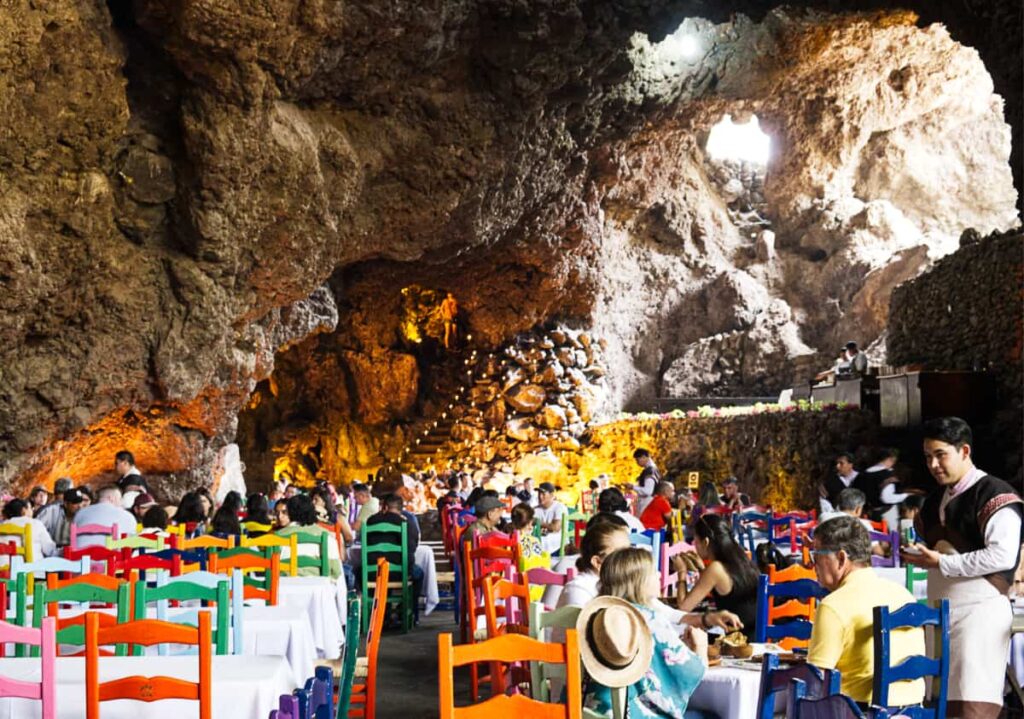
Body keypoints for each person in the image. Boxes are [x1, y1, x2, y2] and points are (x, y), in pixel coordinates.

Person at [905, 417, 1022, 719]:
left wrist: (942, 562)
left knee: (973, 701)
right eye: (928, 456)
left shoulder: (996, 496)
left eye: (940, 454)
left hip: (980, 615)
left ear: (964, 451)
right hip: (941, 614)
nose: (933, 464)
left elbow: (1002, 557)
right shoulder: (932, 502)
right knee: (939, 701)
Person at [807, 515, 925, 707]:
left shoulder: (834, 605)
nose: (813, 564)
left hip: (861, 711)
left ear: (841, 558)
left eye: (817, 555)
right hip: (913, 709)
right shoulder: (904, 594)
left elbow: (816, 679)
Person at [582, 547, 708, 718]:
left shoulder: (596, 616)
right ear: (639, 581)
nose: (659, 575)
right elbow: (691, 672)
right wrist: (701, 646)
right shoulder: (648, 619)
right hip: (628, 712)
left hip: (584, 707)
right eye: (653, 571)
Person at [677, 514, 759, 634]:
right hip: (753, 632)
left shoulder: (715, 568)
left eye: (696, 541)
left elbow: (683, 609)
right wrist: (701, 568)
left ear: (706, 542)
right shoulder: (741, 559)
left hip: (737, 639)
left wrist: (681, 572)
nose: (695, 546)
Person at [276, 494, 343, 579]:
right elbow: (335, 570)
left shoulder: (278, 535)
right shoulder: (326, 535)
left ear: (289, 513)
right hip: (317, 586)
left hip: (284, 586)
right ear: (312, 511)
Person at [853, 448, 908, 528]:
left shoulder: (862, 475)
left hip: (867, 514)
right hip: (886, 514)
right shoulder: (886, 475)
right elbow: (887, 498)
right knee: (892, 536)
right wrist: (906, 495)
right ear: (890, 459)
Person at [71, 486, 138, 546]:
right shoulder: (127, 516)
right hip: (110, 558)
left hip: (79, 558)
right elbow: (131, 543)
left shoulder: (80, 513)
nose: (121, 503)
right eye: (120, 499)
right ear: (111, 498)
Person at [534, 482, 568, 554]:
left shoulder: (559, 507)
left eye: (543, 494)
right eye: (539, 493)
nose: (540, 496)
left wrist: (538, 522)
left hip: (558, 546)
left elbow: (555, 528)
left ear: (552, 495)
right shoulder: (536, 509)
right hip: (542, 544)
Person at [629, 448, 661, 513]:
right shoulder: (652, 469)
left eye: (638, 460)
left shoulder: (650, 471)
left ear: (644, 457)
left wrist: (633, 487)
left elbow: (648, 491)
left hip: (647, 504)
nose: (637, 462)